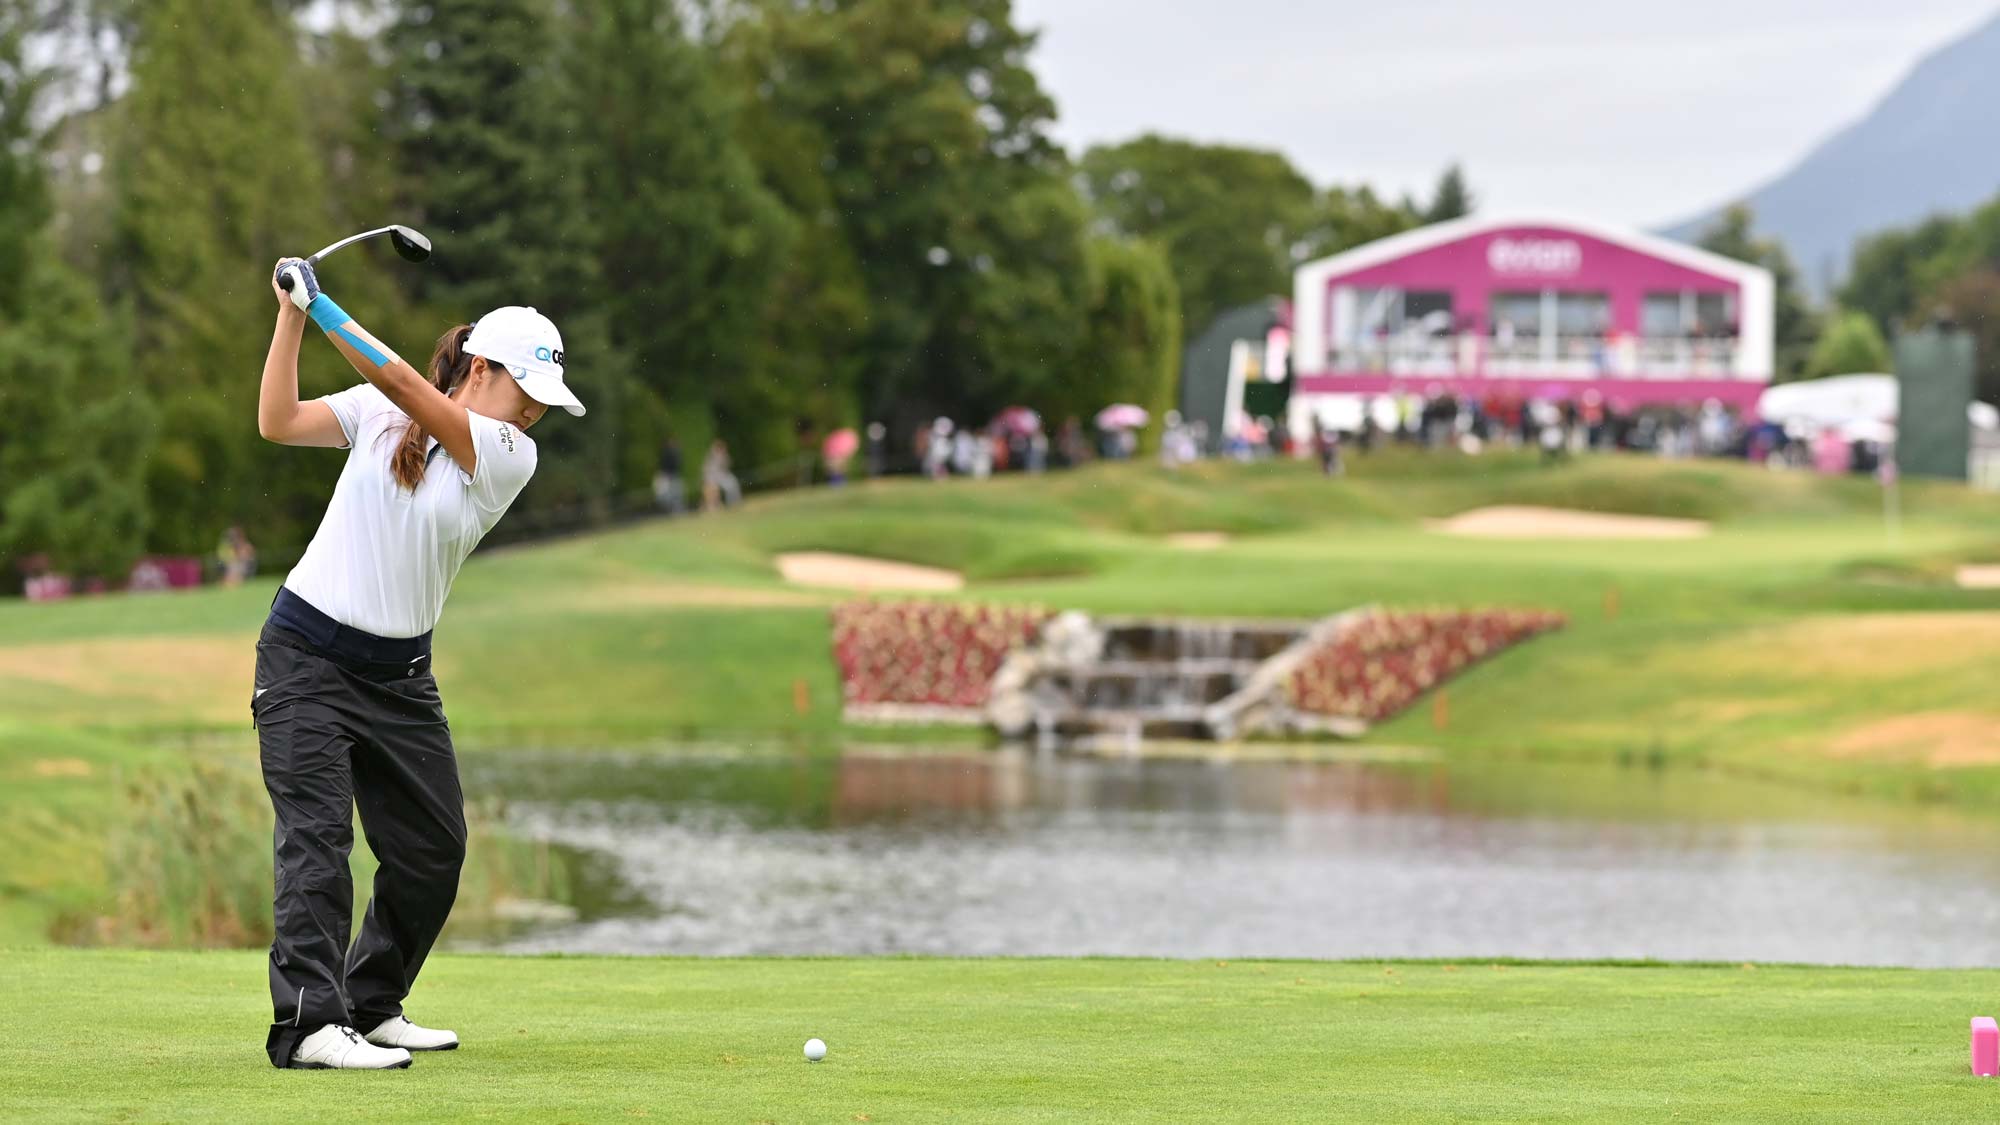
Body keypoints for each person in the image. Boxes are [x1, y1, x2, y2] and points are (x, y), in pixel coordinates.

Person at [253, 257, 584, 1069]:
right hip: (304, 657)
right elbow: (277, 421)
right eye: (528, 391)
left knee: (434, 850)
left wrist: (324, 302)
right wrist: (292, 316)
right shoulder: (375, 413)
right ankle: (307, 1027)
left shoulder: (508, 452)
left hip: (399, 679)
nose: (537, 411)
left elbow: (404, 381)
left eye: (546, 401)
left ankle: (371, 1004)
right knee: (318, 840)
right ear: (483, 368)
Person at [703, 438, 741, 510]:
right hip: (713, 478)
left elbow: (727, 464)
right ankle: (714, 506)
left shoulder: (723, 455)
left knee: (733, 483)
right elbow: (708, 470)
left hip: (722, 476)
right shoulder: (711, 456)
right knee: (713, 490)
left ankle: (734, 502)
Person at [653, 436, 685, 515]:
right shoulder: (668, 452)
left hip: (672, 475)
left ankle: (676, 510)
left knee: (675, 494)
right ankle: (672, 510)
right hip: (667, 476)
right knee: (669, 494)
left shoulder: (675, 452)